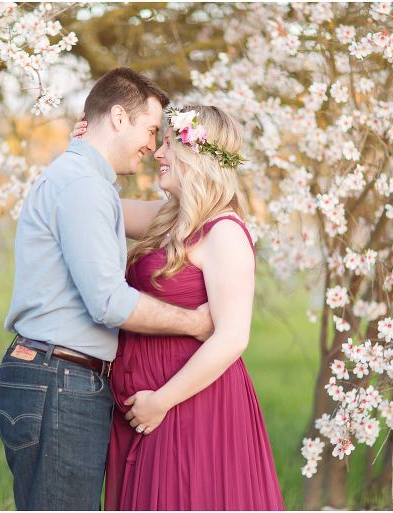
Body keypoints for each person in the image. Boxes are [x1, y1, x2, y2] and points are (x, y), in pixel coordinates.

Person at [0, 68, 215, 511]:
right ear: (117, 117)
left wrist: (214, 202)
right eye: (151, 130)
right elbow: (109, 303)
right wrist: (194, 322)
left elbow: (167, 219)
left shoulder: (81, 181)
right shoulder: (81, 185)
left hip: (52, 374)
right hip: (59, 378)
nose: (152, 146)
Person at [72, 105, 285, 510]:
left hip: (188, 402)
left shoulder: (224, 232)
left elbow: (233, 338)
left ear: (196, 155)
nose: (158, 153)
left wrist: (162, 401)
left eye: (168, 143)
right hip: (142, 407)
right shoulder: (166, 221)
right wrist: (83, 151)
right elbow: (93, 203)